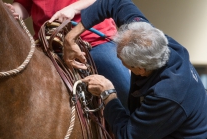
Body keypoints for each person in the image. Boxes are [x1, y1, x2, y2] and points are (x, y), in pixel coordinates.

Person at [64, 0, 207, 138]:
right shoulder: (148, 35)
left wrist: (108, 94)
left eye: (121, 60)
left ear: (140, 69)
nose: (118, 58)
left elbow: (128, 135)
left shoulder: (167, 94)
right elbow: (114, 1)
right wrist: (71, 37)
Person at [4, 0, 131, 110]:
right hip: (48, 45)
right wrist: (12, 11)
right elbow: (23, 5)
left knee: (127, 92)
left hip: (94, 40)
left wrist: (73, 8)